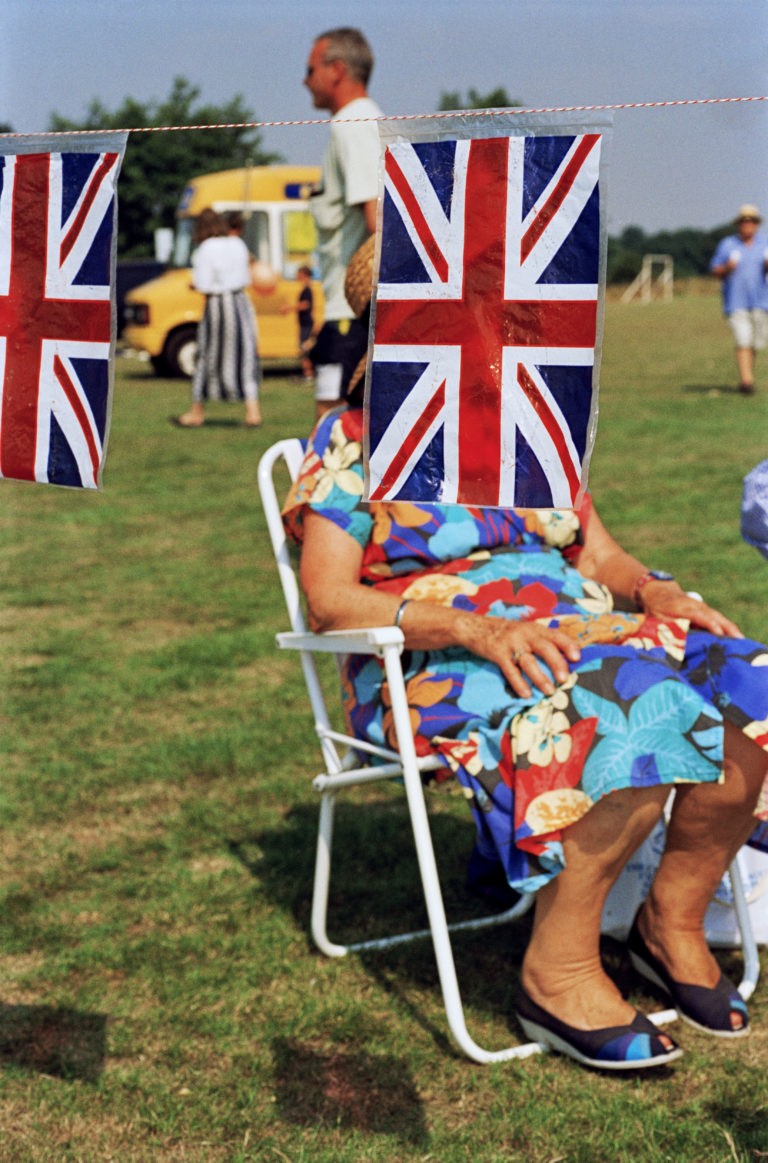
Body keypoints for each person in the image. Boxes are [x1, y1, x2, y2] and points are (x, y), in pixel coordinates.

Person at [281, 241, 768, 1072]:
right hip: (434, 660)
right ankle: (559, 971)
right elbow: (329, 599)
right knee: (630, 702)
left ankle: (670, 923)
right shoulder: (354, 439)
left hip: (577, 634)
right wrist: (473, 625)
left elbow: (597, 557)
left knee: (750, 686)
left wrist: (654, 591)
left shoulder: (527, 429)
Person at [303, 26, 382, 420]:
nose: (305, 81)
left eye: (310, 69)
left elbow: (377, 218)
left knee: (333, 431)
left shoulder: (354, 124)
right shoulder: (360, 122)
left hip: (353, 316)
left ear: (336, 69)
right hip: (343, 315)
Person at [174, 207, 262, 428]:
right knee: (245, 354)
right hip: (240, 302)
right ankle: (253, 412)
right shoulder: (237, 243)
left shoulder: (205, 248)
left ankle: (197, 412)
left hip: (217, 304)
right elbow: (246, 275)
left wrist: (196, 285)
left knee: (207, 355)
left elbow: (202, 283)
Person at [710, 204, 768, 395]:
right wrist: (727, 268)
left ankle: (748, 376)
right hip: (736, 301)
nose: (747, 225)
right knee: (743, 339)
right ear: (738, 224)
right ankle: (746, 381)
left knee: (753, 342)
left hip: (761, 301)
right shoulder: (728, 244)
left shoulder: (764, 244)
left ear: (756, 224)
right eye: (744, 221)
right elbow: (715, 269)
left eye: (751, 221)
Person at [281, 265, 315, 381]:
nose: (296, 276)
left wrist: (289, 308)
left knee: (304, 349)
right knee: (304, 348)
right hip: (304, 324)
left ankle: (309, 374)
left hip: (306, 324)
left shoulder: (307, 290)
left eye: (298, 273)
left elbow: (305, 305)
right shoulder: (306, 289)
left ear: (304, 275)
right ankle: (308, 374)